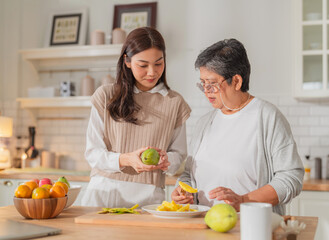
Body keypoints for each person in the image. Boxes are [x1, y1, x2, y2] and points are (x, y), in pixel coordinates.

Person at [171, 39, 304, 215]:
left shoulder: (267, 117)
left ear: (236, 81)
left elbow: (291, 178)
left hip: (252, 225)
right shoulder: (204, 123)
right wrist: (183, 190)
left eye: (212, 84)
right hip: (205, 225)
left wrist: (243, 201)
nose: (206, 91)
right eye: (203, 83)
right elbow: (189, 174)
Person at [82, 27, 191, 208]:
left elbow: (179, 155)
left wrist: (167, 161)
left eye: (158, 63)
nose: (152, 72)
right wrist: (126, 159)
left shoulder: (175, 102)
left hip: (149, 198)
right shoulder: (106, 95)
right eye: (143, 65)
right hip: (104, 193)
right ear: (127, 61)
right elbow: (92, 153)